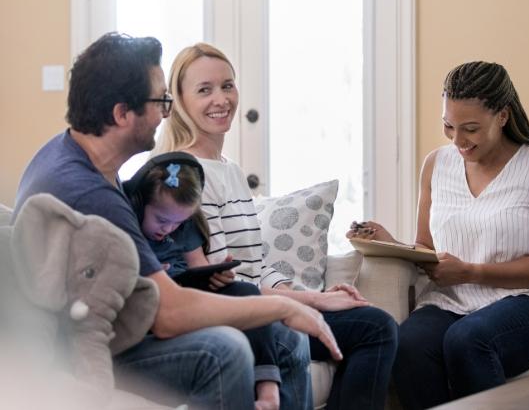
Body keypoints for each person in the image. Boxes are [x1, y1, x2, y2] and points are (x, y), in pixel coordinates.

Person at [13, 32, 342, 410]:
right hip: (82, 347)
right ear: (122, 113)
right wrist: (285, 307)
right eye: (161, 101)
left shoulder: (72, 154)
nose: (166, 113)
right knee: (225, 350)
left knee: (284, 338)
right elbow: (168, 315)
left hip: (105, 325)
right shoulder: (90, 193)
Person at [154, 42, 399, 410]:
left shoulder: (231, 170)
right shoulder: (188, 176)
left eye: (227, 85)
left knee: (377, 326)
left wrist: (298, 290)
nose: (221, 99)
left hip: (257, 302)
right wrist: (315, 299)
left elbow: (254, 261)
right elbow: (228, 284)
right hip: (236, 314)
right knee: (314, 334)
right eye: (204, 90)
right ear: (181, 102)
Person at [349, 61, 529, 409]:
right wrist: (389, 242)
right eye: (448, 126)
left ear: (502, 116)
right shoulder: (436, 164)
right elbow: (427, 247)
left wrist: (471, 272)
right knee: (407, 342)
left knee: (467, 339)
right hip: (450, 300)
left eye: (470, 128)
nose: (458, 141)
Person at [123, 151, 294, 410]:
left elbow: (197, 266)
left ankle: (268, 387)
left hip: (188, 289)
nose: (168, 229)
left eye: (177, 224)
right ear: (140, 202)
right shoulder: (128, 225)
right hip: (156, 298)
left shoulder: (184, 225)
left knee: (247, 292)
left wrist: (215, 274)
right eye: (161, 220)